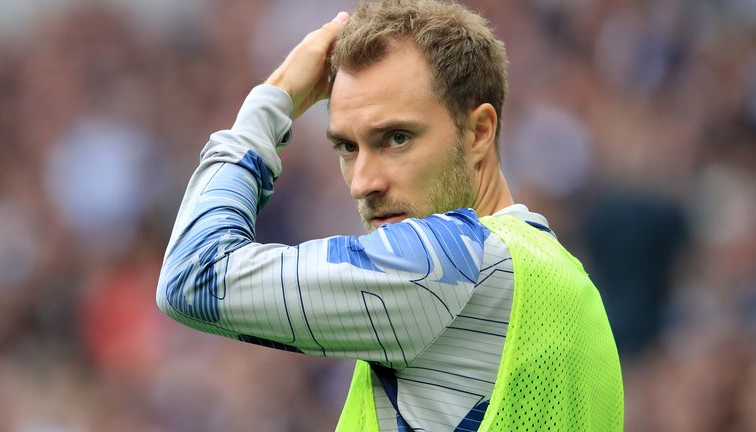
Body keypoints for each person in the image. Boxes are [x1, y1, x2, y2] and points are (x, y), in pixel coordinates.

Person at [156, 1, 623, 430]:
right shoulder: (574, 290)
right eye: (346, 146)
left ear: (478, 132)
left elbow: (193, 276)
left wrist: (272, 101)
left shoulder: (443, 262)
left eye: (396, 138)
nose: (363, 182)